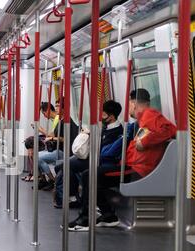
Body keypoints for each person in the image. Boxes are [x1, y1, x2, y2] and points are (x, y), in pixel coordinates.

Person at [67, 89, 176, 231]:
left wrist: (145, 142)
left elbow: (170, 129)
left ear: (133, 103)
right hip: (131, 165)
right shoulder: (142, 120)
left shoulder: (151, 115)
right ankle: (108, 216)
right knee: (91, 176)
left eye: (129, 104)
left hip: (136, 169)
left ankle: (85, 220)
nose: (128, 108)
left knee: (89, 175)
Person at [53, 100, 123, 208]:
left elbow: (105, 151)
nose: (101, 117)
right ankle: (72, 197)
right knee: (62, 166)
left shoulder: (117, 132)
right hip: (92, 157)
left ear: (112, 117)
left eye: (103, 114)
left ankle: (69, 198)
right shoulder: (106, 128)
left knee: (65, 166)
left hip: (99, 160)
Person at [33, 101, 78, 191]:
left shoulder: (67, 122)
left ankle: (52, 181)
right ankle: (46, 179)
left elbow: (66, 139)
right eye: (56, 106)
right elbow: (52, 135)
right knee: (35, 155)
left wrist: (52, 139)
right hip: (58, 148)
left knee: (37, 158)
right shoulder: (60, 121)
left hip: (64, 151)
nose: (55, 108)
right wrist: (43, 132)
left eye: (58, 106)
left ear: (63, 109)